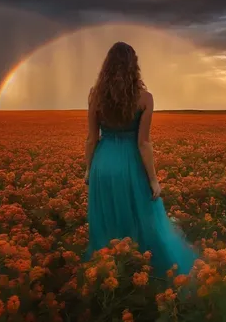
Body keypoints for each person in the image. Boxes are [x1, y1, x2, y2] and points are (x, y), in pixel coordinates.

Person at [84, 41, 197, 276]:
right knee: (140, 219)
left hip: (102, 164)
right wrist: (154, 180)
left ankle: (110, 273)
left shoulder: (94, 96)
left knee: (108, 220)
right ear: (134, 67)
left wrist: (88, 169)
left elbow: (91, 139)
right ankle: (139, 271)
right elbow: (143, 143)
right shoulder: (145, 99)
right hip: (130, 164)